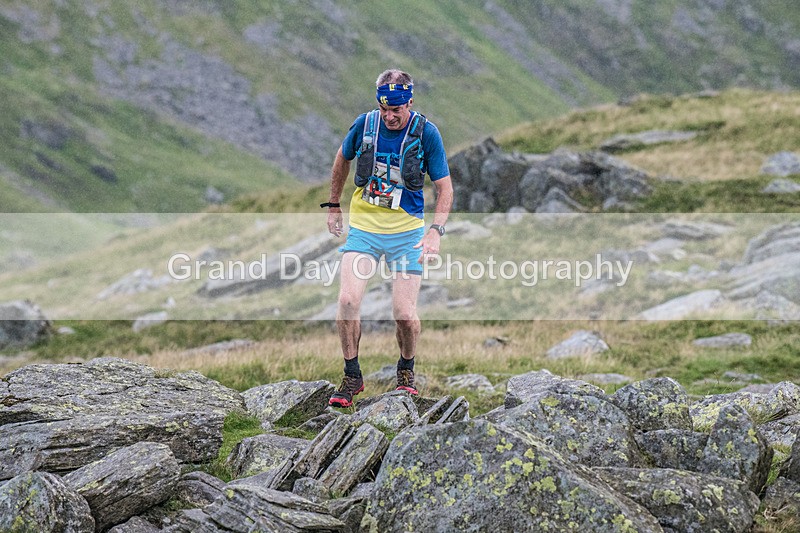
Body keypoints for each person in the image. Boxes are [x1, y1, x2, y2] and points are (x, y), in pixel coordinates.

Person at [322, 68, 453, 407]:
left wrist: (435, 231)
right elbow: (342, 159)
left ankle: (406, 371)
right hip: (365, 228)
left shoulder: (427, 133)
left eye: (396, 110)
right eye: (384, 109)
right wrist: (334, 204)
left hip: (407, 231)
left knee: (404, 314)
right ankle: (352, 376)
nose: (390, 116)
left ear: (409, 102)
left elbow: (445, 188)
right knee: (348, 301)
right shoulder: (365, 125)